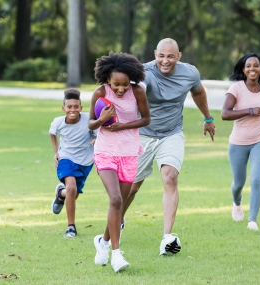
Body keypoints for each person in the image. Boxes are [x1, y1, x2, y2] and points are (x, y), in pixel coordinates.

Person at [122, 38, 216, 256]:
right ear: (155, 53)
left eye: (170, 56)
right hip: (143, 135)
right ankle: (118, 220)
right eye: (161, 55)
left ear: (179, 56)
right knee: (132, 186)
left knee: (170, 176)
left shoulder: (189, 73)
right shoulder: (143, 72)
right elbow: (136, 90)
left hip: (171, 133)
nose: (165, 60)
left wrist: (208, 118)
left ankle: (167, 237)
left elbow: (199, 92)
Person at [89, 52, 150, 272]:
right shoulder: (100, 93)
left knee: (120, 205)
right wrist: (102, 120)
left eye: (125, 84)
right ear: (107, 80)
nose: (121, 89)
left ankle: (102, 241)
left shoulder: (138, 92)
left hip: (129, 152)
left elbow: (146, 119)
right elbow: (90, 125)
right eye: (116, 84)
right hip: (105, 151)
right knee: (115, 199)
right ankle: (116, 255)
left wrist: (121, 126)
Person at [221, 52, 260, 231]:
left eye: (256, 65)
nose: (252, 69)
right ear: (244, 70)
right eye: (248, 66)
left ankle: (252, 220)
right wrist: (250, 110)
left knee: (256, 180)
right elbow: (225, 114)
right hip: (238, 143)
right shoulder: (237, 89)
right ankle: (236, 202)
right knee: (238, 183)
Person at [50, 89, 96, 238]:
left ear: (81, 108)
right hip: (66, 158)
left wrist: (96, 141)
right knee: (71, 187)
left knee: (73, 193)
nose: (73, 110)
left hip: (85, 161)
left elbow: (99, 134)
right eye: (69, 107)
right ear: (63, 109)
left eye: (76, 107)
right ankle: (71, 227)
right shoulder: (58, 122)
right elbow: (52, 133)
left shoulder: (88, 119)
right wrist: (56, 152)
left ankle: (60, 194)